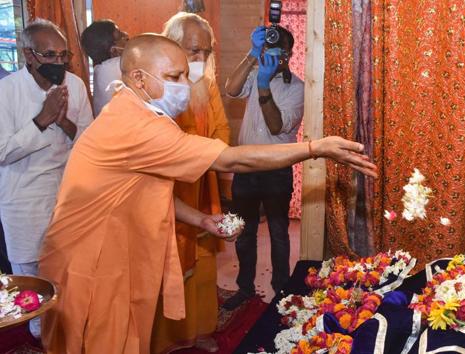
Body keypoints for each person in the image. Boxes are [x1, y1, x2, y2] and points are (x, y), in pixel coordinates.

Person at [38, 34, 376, 354]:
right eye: (174, 75)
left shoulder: (133, 108)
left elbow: (142, 190)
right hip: (89, 259)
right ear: (139, 79)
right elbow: (231, 158)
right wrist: (315, 148)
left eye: (186, 74)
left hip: (109, 249)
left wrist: (200, 218)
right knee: (100, 341)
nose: (186, 85)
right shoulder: (135, 125)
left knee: (125, 336)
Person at [0, 18, 93, 337]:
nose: (58, 63)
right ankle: (40, 334)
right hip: (22, 197)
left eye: (63, 55)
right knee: (32, 276)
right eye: (49, 55)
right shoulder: (6, 91)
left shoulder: (75, 85)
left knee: (69, 269)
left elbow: (88, 143)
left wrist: (64, 121)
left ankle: (69, 329)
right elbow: (2, 152)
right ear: (28, 55)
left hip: (67, 193)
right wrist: (42, 119)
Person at [151, 12, 230, 353]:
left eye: (205, 53)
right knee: (168, 266)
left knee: (204, 264)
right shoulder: (158, 87)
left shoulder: (207, 85)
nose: (199, 60)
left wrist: (207, 156)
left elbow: (222, 132)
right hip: (167, 190)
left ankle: (199, 330)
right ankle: (168, 339)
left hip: (202, 185)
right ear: (172, 48)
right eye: (193, 51)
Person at [222, 25, 303, 310]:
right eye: (267, 48)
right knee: (245, 231)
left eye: (278, 50)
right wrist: (251, 55)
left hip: (277, 170)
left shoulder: (297, 88)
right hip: (245, 165)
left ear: (288, 54)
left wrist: (265, 86)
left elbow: (276, 125)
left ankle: (280, 290)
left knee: (279, 232)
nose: (272, 55)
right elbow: (230, 90)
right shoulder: (255, 71)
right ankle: (244, 288)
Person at [80, 19, 129, 116]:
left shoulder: (100, 69)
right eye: (120, 35)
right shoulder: (118, 65)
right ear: (114, 50)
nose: (126, 35)